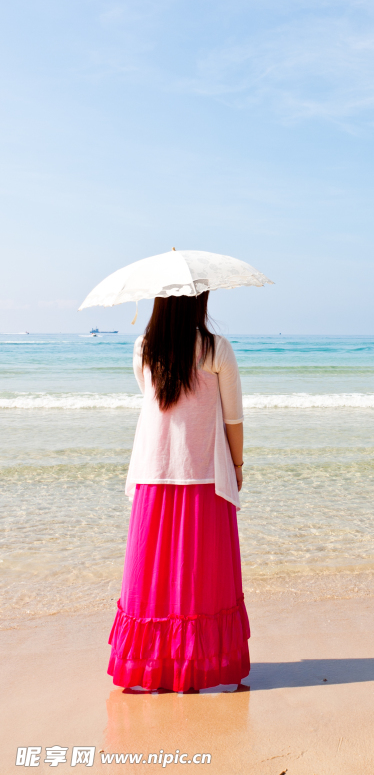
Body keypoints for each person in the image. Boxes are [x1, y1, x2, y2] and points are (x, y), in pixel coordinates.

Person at [107, 291, 249, 692]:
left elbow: (153, 402)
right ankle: (199, 665)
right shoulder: (216, 348)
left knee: (152, 578)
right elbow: (233, 418)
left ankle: (152, 667)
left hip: (155, 474)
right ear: (198, 300)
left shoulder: (144, 348)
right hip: (203, 474)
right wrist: (237, 466)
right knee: (202, 576)